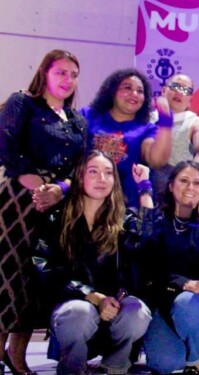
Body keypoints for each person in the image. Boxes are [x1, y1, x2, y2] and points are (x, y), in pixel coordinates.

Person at [0, 49, 86, 375]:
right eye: (61, 72)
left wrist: (58, 190)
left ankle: (17, 357)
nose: (68, 80)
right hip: (18, 200)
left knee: (36, 283)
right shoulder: (23, 103)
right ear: (45, 73)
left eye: (74, 75)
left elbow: (78, 168)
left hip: (56, 205)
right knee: (9, 277)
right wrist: (39, 189)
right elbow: (8, 149)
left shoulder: (77, 121)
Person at [35, 151, 153, 374]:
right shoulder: (56, 218)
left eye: (108, 173)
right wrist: (92, 296)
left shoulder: (123, 219)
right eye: (93, 172)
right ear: (80, 177)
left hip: (116, 308)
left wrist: (145, 189)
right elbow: (45, 268)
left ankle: (115, 366)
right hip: (76, 308)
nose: (101, 179)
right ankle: (73, 368)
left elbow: (147, 245)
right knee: (78, 313)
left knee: (137, 312)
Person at [140, 161, 199, 374]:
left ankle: (194, 362)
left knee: (190, 302)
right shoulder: (158, 218)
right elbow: (148, 263)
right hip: (164, 298)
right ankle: (185, 348)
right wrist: (184, 283)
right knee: (164, 364)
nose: (190, 187)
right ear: (171, 186)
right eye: (184, 181)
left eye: (197, 183)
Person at [83, 68, 173, 207]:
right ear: (112, 92)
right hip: (84, 201)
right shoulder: (87, 115)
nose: (134, 94)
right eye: (127, 88)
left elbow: (156, 161)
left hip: (124, 206)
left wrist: (166, 124)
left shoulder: (146, 129)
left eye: (140, 91)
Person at [151, 74, 199, 197]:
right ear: (164, 90)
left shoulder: (194, 122)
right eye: (175, 86)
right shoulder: (147, 118)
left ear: (190, 99)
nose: (179, 93)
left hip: (171, 196)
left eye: (185, 90)